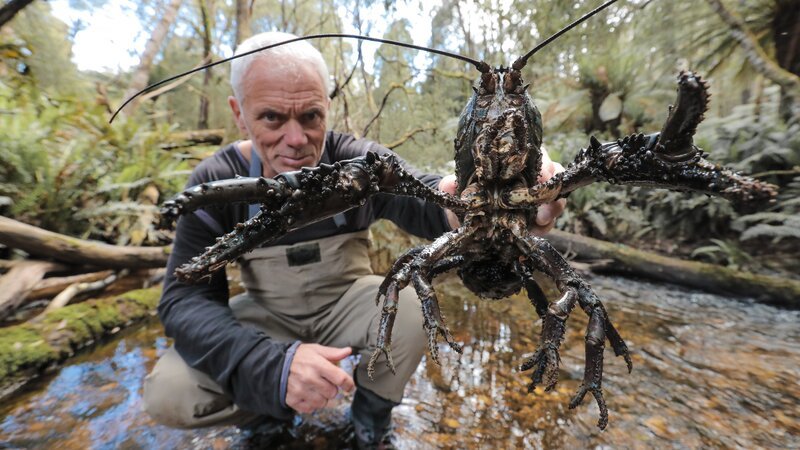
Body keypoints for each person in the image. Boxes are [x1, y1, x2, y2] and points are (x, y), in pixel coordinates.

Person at [143, 31, 566, 448]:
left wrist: (484, 200)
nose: (295, 139)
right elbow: (184, 299)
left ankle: (370, 417)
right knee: (171, 392)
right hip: (268, 318)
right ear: (239, 113)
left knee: (414, 306)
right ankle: (265, 415)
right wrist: (268, 367)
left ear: (327, 107)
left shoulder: (360, 161)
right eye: (272, 117)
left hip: (349, 305)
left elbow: (429, 199)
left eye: (310, 116)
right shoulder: (216, 180)